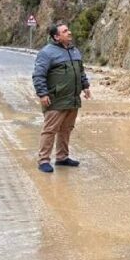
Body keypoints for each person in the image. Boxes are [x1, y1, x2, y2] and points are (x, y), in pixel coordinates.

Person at [32, 22, 91, 172]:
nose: (69, 32)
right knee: (50, 129)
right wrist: (43, 93)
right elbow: (38, 75)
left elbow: (81, 71)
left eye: (68, 30)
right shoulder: (47, 53)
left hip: (72, 99)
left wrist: (85, 86)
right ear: (56, 36)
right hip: (55, 99)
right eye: (65, 31)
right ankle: (44, 160)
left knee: (66, 129)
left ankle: (62, 157)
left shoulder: (74, 51)